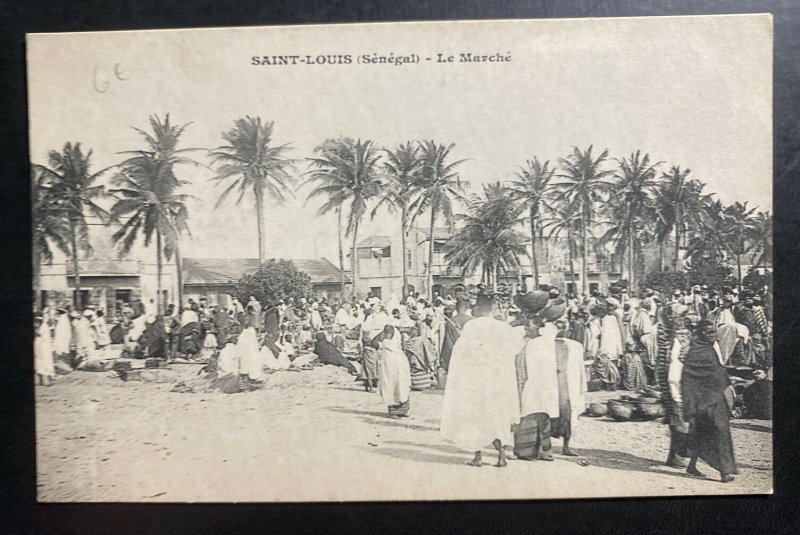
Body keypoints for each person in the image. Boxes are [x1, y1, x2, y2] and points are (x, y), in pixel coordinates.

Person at [440, 295, 524, 468]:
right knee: (499, 415)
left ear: (477, 308)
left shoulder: (472, 326)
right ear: (492, 309)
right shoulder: (503, 327)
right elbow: (515, 349)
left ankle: (478, 457)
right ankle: (501, 457)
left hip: (478, 380)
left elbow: (461, 352)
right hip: (499, 380)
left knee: (478, 416)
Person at [681, 320, 737, 482]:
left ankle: (692, 465)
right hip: (703, 401)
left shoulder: (708, 349)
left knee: (701, 432)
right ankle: (724, 472)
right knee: (719, 432)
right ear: (701, 334)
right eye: (709, 332)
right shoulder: (696, 352)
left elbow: (716, 372)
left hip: (710, 399)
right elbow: (689, 378)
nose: (714, 335)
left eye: (714, 332)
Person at [377, 325, 412, 417]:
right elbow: (373, 343)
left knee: (401, 385)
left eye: (390, 332)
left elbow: (403, 348)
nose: (389, 334)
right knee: (392, 386)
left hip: (399, 364)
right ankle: (393, 411)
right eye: (387, 332)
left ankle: (403, 410)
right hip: (390, 367)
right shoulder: (385, 343)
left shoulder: (395, 340)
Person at [403, 326, 438, 391]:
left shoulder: (408, 342)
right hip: (422, 365)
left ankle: (415, 385)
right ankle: (422, 384)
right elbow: (430, 354)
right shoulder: (423, 340)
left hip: (412, 363)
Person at [34, 315, 55, 386]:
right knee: (39, 364)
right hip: (39, 347)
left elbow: (41, 335)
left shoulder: (44, 327)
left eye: (37, 322)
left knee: (45, 363)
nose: (36, 323)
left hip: (44, 347)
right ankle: (38, 381)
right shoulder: (40, 327)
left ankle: (45, 381)